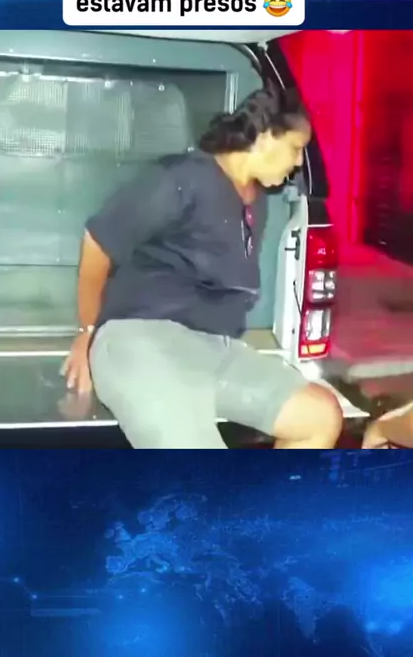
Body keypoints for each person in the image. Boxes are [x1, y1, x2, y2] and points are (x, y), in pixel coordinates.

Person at [62, 81, 343, 449]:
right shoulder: (180, 178)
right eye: (295, 148)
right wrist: (88, 331)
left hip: (213, 349)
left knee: (320, 416)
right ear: (264, 138)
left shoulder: (254, 199)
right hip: (141, 339)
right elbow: (98, 241)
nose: (297, 163)